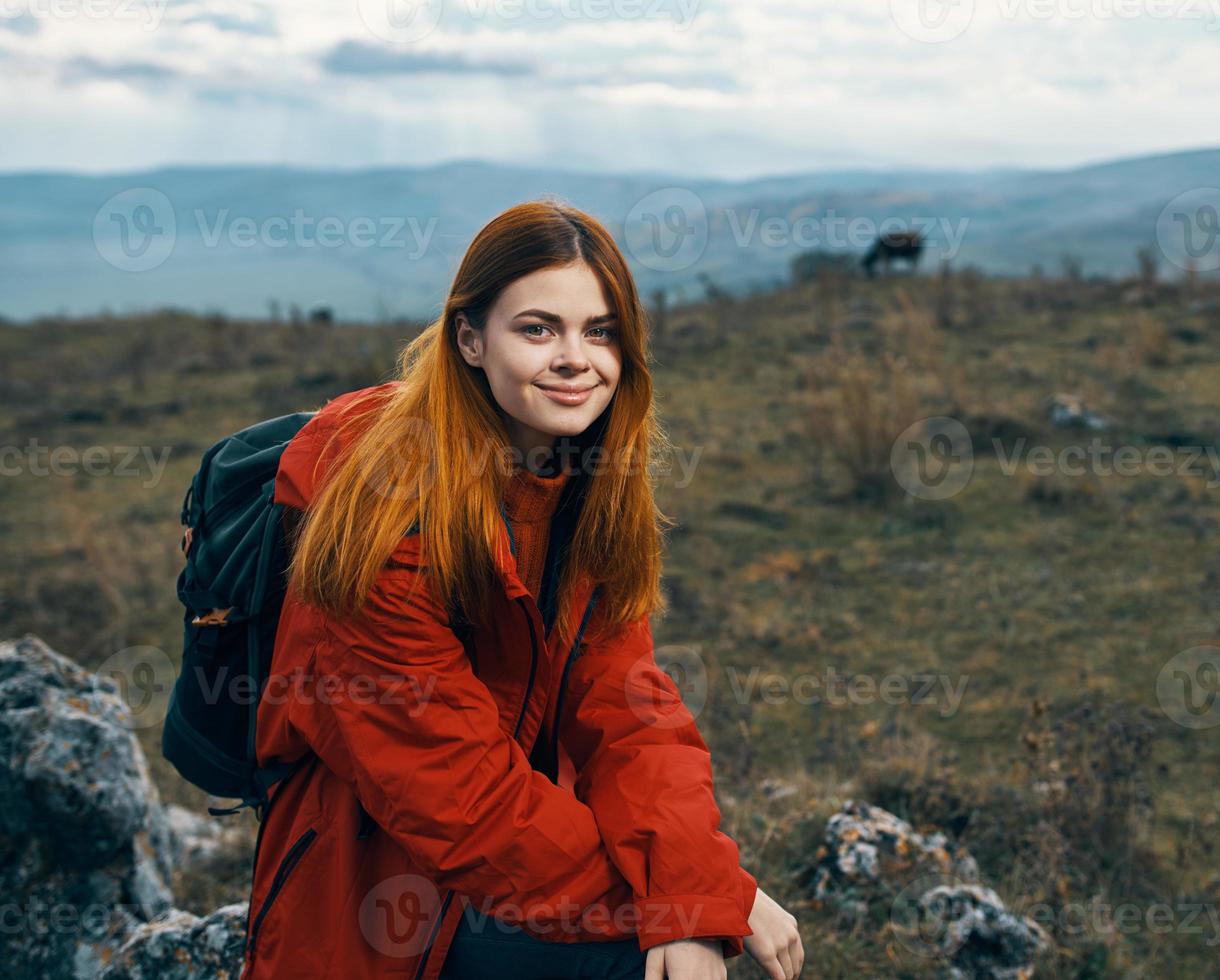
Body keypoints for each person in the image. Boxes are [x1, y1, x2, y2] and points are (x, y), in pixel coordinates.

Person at [240, 201, 804, 980]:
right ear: (469, 339)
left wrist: (700, 886)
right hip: (369, 882)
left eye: (600, 331)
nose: (576, 358)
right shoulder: (385, 516)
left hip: (517, 846)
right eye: (538, 329)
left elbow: (628, 708)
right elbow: (455, 796)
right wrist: (699, 901)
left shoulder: (580, 477)